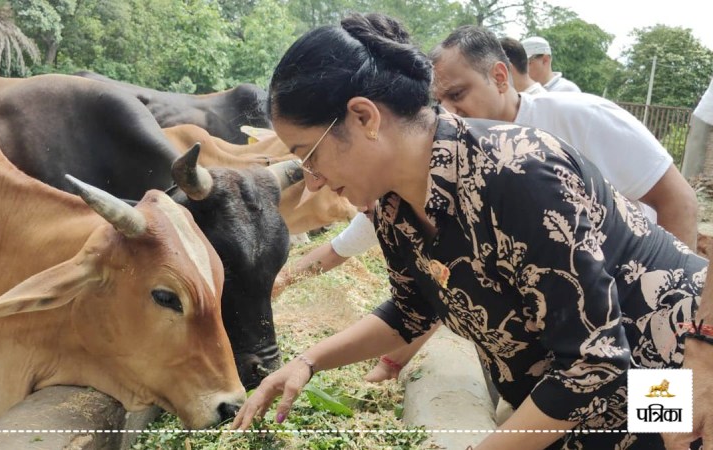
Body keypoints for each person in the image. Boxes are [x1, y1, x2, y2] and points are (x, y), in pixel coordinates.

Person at [236, 13, 709, 450]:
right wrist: (309, 361)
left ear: (364, 117)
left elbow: (593, 363)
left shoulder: (516, 172)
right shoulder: (393, 208)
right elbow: (411, 311)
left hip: (671, 373)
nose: (313, 179)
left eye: (310, 153)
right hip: (584, 403)